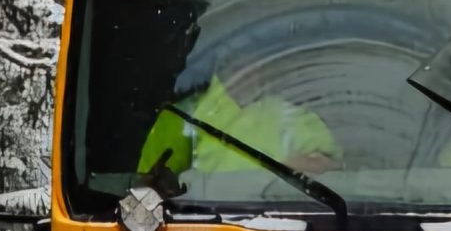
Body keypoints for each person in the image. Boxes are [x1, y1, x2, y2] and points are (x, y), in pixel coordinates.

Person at [135, 75, 340, 185]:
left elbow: (332, 173)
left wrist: (282, 175)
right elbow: (145, 190)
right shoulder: (182, 116)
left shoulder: (292, 116)